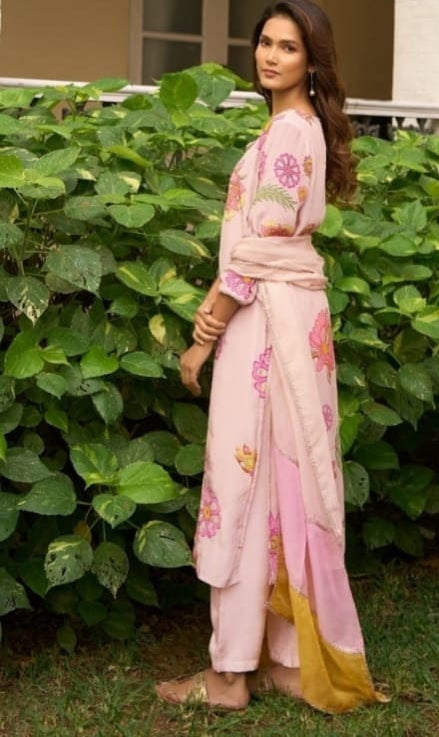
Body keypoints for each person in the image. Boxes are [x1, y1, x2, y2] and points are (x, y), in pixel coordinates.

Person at [156, 0, 382, 713]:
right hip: (286, 322)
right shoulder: (298, 126)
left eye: (287, 46)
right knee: (280, 483)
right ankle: (282, 658)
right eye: (265, 42)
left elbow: (261, 245)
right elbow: (263, 246)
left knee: (244, 480)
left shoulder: (289, 130)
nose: (270, 55)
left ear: (311, 61)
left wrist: (205, 334)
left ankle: (229, 674)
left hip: (265, 327)